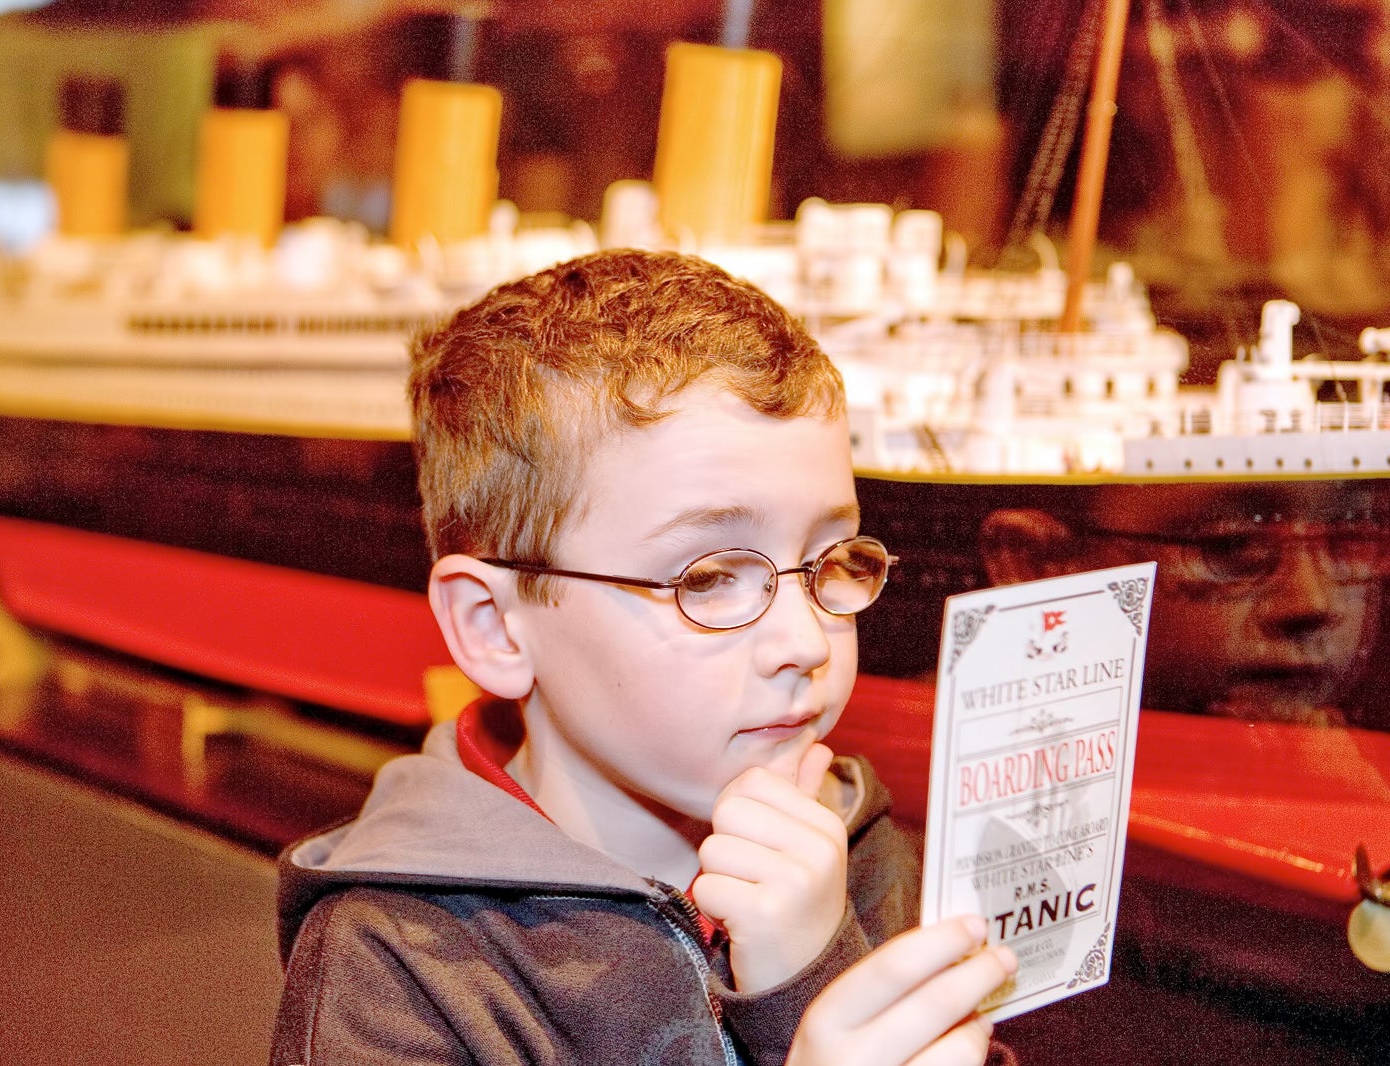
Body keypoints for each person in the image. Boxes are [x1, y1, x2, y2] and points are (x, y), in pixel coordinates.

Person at [270, 249, 1015, 1064]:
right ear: (494, 626)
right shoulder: (400, 964)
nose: (805, 643)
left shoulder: (874, 860)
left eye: (831, 560)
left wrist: (814, 968)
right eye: (711, 577)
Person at [979, 479, 1390, 728]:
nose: (1313, 603)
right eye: (1232, 545)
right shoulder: (925, 809)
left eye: (1353, 536)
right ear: (1038, 566)